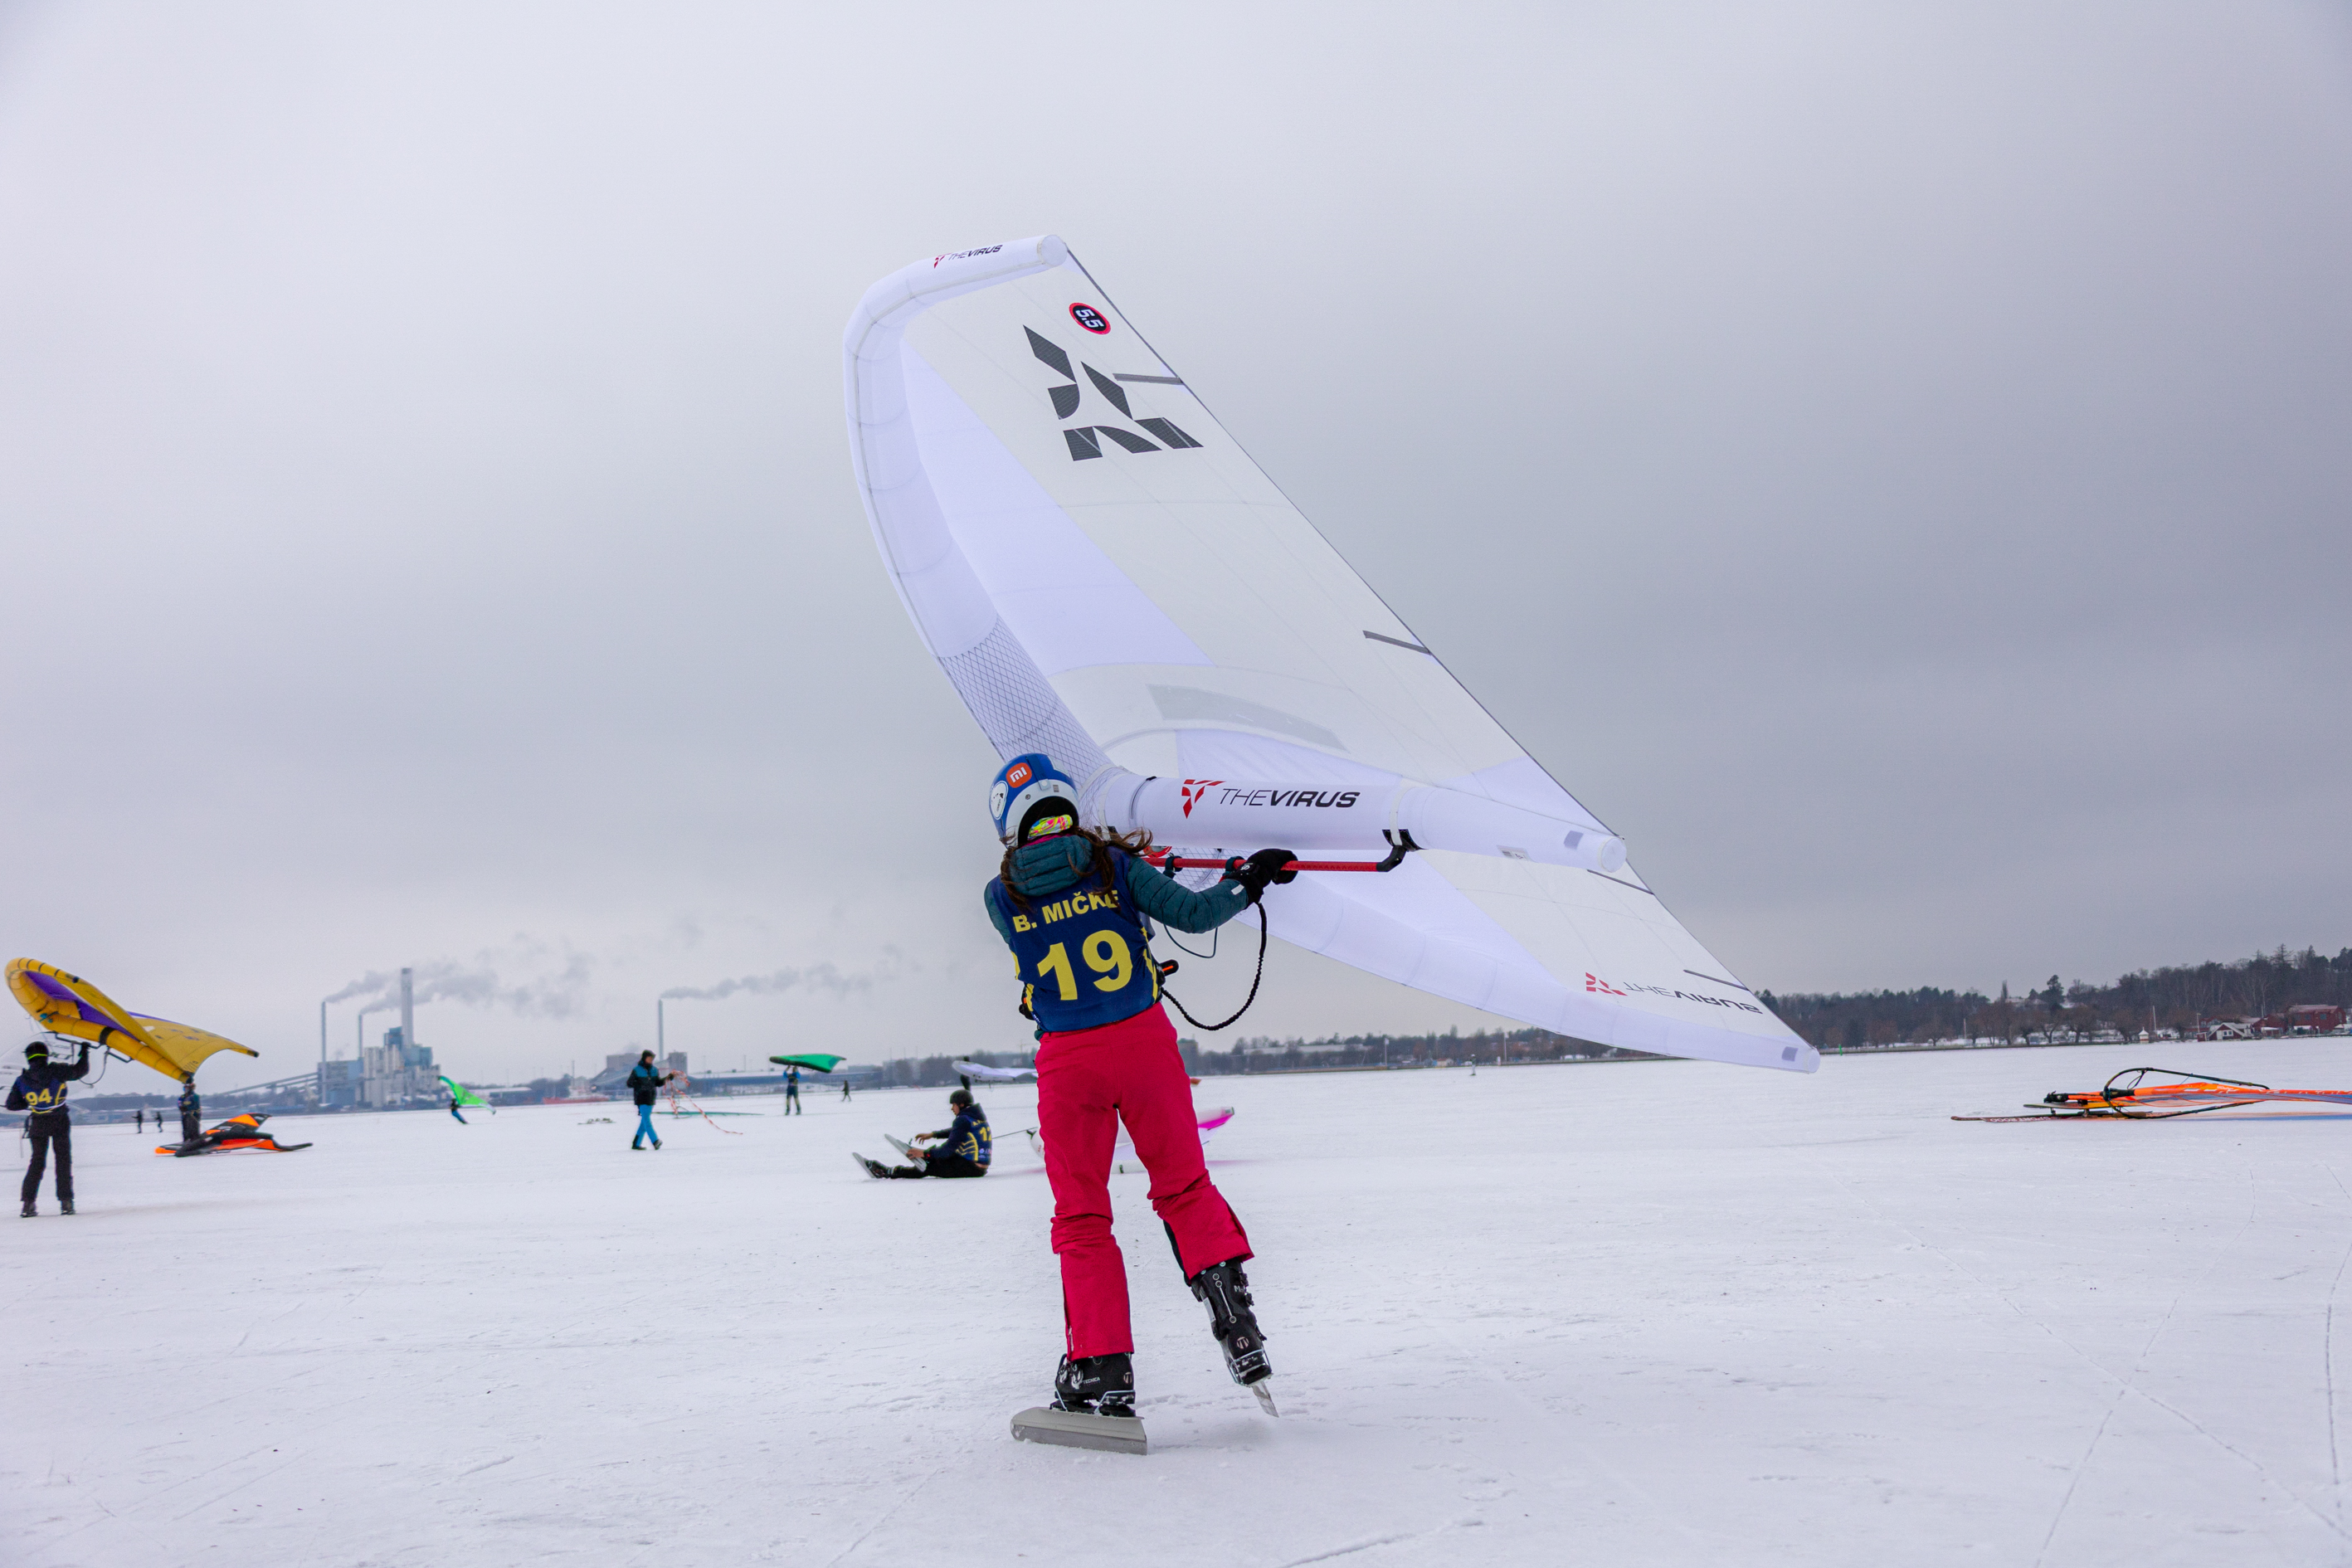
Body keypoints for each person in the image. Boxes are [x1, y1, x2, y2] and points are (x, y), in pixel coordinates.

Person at [978, 752, 1293, 1419]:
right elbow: (1196, 915)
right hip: (1144, 1043)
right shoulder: (1114, 865)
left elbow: (1055, 919)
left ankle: (1100, 1368)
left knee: (1082, 1216)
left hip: (1068, 1061)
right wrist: (1247, 881)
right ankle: (1235, 1322)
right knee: (1183, 1185)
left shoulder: (999, 896)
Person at [9, 1040, 90, 1217]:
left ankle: (28, 1205)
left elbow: (11, 1105)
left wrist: (30, 1102)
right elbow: (80, 1071)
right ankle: (66, 1203)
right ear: (45, 1055)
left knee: (37, 1162)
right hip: (59, 1120)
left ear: (28, 1058)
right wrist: (84, 1052)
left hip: (38, 1123)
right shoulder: (57, 1070)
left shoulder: (22, 1079)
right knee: (63, 1161)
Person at [855, 1088, 991, 1179]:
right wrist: (934, 1135)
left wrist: (925, 1153)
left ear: (961, 1105)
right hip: (977, 1166)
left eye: (953, 1105)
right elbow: (957, 1132)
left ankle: (887, 1172)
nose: (952, 1108)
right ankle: (925, 1157)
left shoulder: (962, 1120)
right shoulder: (976, 1117)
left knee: (927, 1167)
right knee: (934, 1158)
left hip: (969, 1167)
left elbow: (948, 1150)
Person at [627, 1050, 675, 1150]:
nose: (651, 1060)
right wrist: (640, 1085)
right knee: (647, 1121)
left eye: (652, 1058)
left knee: (644, 1123)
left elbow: (658, 1083)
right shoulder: (637, 1070)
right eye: (649, 1058)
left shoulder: (654, 1070)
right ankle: (655, 1141)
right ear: (644, 1058)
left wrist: (668, 1078)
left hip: (651, 1098)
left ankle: (636, 1144)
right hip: (641, 1098)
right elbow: (629, 1083)